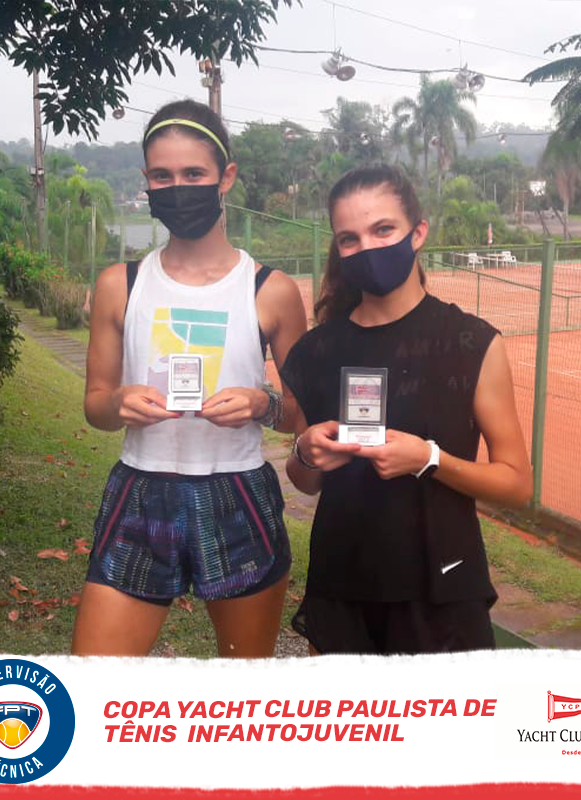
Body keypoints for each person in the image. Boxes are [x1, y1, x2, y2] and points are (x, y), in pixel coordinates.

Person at [72, 99, 306, 658]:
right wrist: (118, 402)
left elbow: (299, 415)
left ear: (226, 177)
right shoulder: (120, 284)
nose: (178, 188)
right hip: (141, 489)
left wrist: (262, 403)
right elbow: (96, 405)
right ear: (147, 180)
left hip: (237, 492)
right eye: (162, 176)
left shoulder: (270, 290)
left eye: (194, 174)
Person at [280, 164, 533, 656]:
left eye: (383, 230)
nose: (367, 248)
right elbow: (306, 481)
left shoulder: (470, 343)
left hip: (442, 588)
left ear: (418, 233)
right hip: (343, 582)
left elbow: (516, 484)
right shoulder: (316, 351)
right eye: (349, 239)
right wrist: (306, 452)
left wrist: (429, 459)